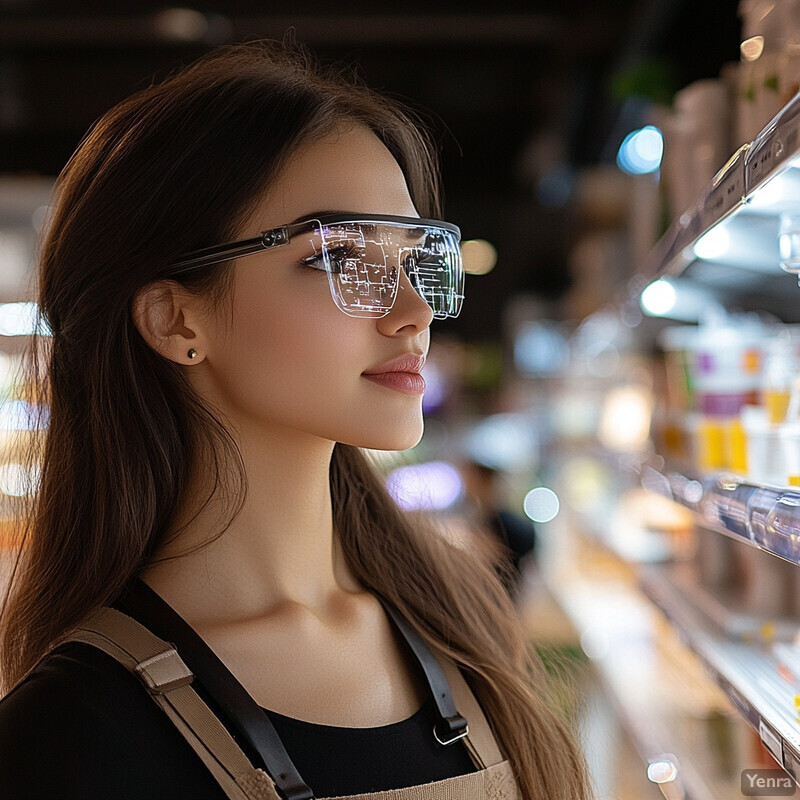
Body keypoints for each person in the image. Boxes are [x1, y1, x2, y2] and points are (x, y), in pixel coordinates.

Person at [0, 39, 592, 800]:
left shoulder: (456, 617)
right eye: (338, 258)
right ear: (175, 319)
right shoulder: (68, 732)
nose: (413, 313)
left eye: (417, 257)